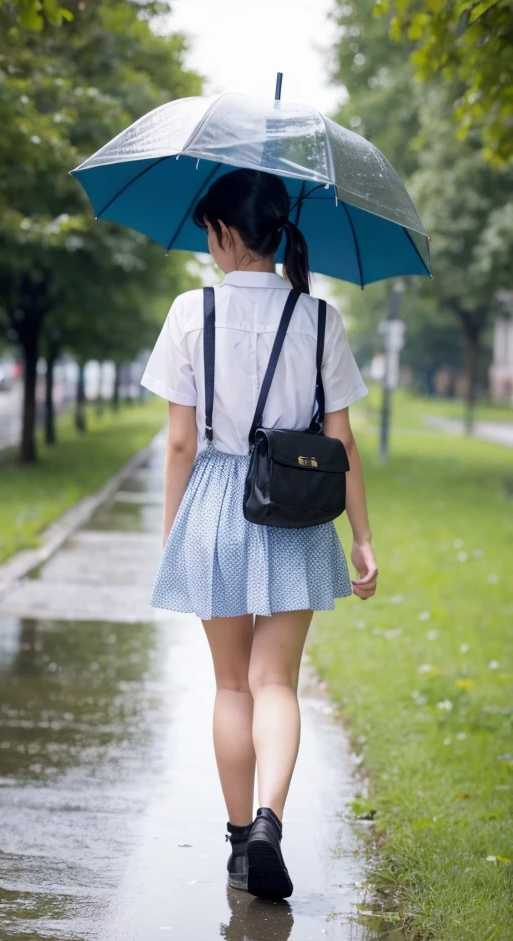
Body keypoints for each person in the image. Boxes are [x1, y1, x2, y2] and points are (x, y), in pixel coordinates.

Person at [140, 168, 378, 901]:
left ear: (219, 231)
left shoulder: (191, 311)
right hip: (296, 508)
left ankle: (243, 841)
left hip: (215, 502)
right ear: (278, 232)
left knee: (232, 685)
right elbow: (341, 443)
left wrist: (174, 531)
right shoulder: (320, 318)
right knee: (278, 681)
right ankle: (273, 818)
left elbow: (180, 445)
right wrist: (363, 538)